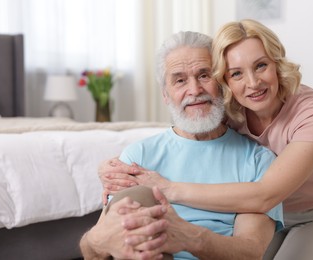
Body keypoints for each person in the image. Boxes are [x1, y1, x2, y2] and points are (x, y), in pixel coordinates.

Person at [100, 19, 313, 260]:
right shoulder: (228, 106)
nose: (253, 83)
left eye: (261, 65)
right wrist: (115, 169)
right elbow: (182, 131)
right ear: (225, 79)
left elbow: (266, 195)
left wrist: (168, 187)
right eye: (236, 73)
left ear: (277, 63)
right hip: (254, 215)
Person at [83, 30, 284, 260]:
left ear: (222, 83)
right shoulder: (138, 156)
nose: (195, 90)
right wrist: (92, 241)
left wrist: (188, 236)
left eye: (204, 75)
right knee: (139, 199)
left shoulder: (258, 160)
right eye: (180, 80)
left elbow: (251, 251)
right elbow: (96, 252)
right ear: (166, 95)